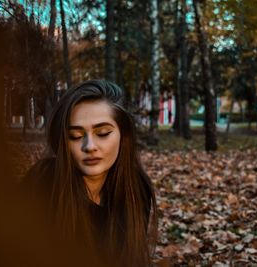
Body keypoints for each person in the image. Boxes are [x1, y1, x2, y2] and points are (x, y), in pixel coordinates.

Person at [24, 80, 158, 267]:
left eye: (102, 133)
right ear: (63, 141)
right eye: (76, 136)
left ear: (123, 135)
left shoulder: (136, 189)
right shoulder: (42, 183)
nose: (89, 146)